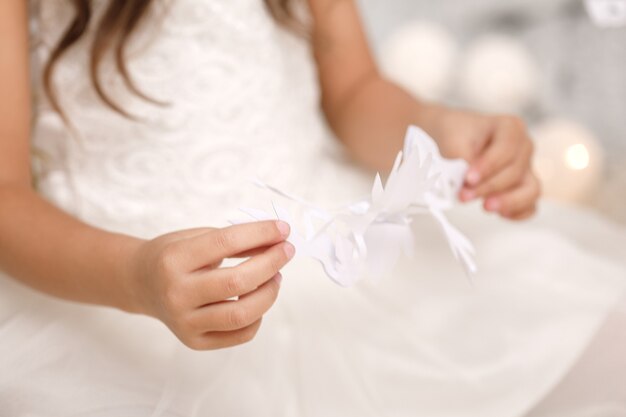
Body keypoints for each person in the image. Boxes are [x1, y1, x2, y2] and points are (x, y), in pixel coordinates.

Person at [0, 0, 624, 415]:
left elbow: (352, 91)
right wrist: (136, 278)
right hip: (116, 286)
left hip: (329, 245)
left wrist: (432, 129)